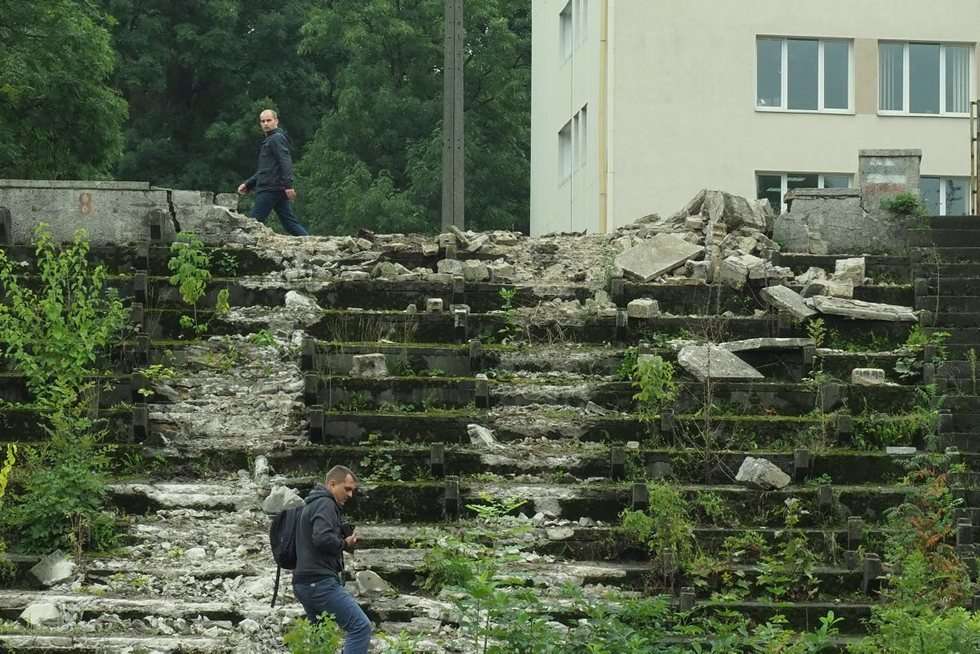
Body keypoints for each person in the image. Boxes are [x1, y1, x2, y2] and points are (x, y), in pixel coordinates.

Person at [292, 465, 372, 653]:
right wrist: (344, 543)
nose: (350, 495)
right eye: (347, 489)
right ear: (332, 484)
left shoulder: (311, 504)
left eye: (352, 490)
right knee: (360, 627)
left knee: (322, 640)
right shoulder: (326, 503)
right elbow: (322, 538)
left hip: (303, 583)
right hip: (319, 582)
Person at [237, 109, 309, 236]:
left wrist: (288, 186)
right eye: (263, 121)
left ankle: (241, 251)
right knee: (290, 223)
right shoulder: (270, 140)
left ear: (276, 121)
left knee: (252, 224)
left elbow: (285, 161)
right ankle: (311, 244)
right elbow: (266, 170)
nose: (265, 124)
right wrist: (249, 184)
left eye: (268, 120)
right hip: (276, 188)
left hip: (270, 188)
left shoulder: (276, 138)